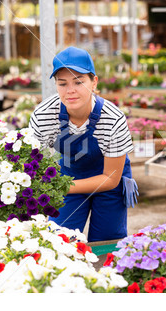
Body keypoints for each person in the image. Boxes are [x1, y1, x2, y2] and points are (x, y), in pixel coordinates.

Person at [29, 46, 138, 242]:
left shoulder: (112, 118)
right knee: (60, 240)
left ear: (94, 82)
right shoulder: (44, 116)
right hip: (68, 174)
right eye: (62, 83)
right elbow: (36, 165)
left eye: (78, 82)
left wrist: (60, 187)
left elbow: (111, 179)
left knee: (107, 240)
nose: (70, 90)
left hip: (107, 184)